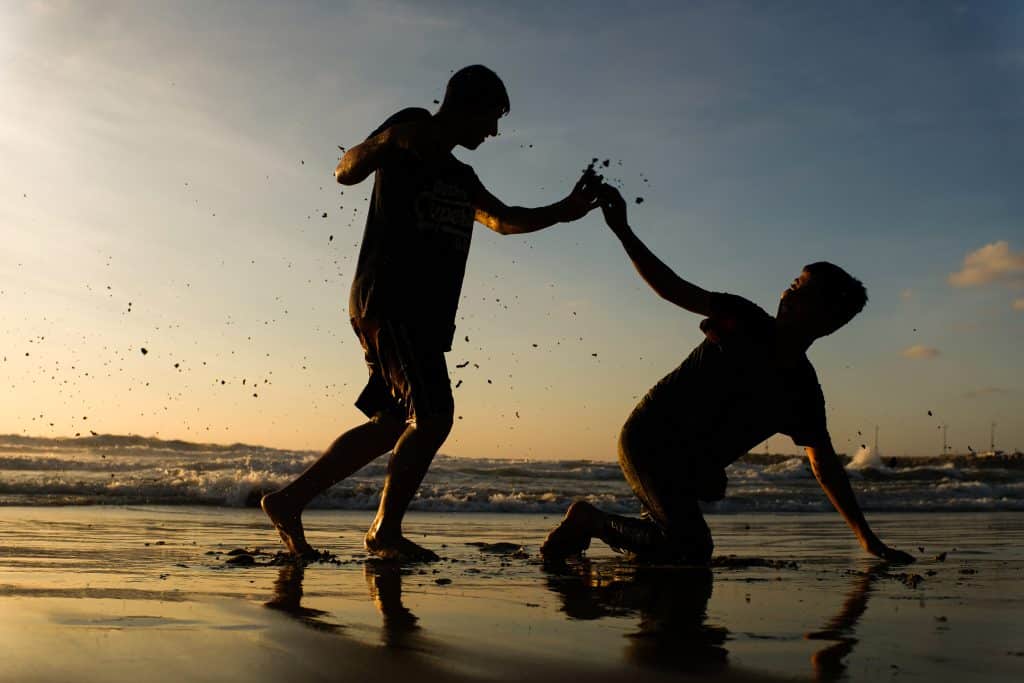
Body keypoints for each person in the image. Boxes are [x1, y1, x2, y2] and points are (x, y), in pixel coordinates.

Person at [262, 65, 601, 562]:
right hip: (390, 302)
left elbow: (502, 221)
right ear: (464, 105)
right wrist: (392, 138)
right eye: (490, 118)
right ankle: (384, 531)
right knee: (434, 416)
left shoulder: (462, 177)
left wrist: (564, 210)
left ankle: (289, 500)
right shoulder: (409, 127)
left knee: (390, 423)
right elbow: (345, 169)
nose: (494, 132)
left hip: (423, 316)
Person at [541, 185, 914, 565]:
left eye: (801, 288)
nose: (788, 288)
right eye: (793, 281)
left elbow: (826, 467)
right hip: (648, 439)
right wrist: (622, 230)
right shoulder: (745, 319)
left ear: (825, 319)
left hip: (686, 468)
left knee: (677, 549)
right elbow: (672, 288)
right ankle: (590, 520)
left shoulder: (801, 389)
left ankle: (607, 533)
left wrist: (865, 537)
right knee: (693, 547)